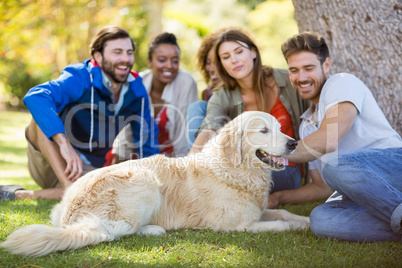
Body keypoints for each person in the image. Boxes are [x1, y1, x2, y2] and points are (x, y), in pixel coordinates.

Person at [0, 26, 159, 201]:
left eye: (129, 53)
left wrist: (153, 180)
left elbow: (146, 139)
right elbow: (35, 96)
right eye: (117, 52)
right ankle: (73, 195)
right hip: (51, 157)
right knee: (40, 116)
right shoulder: (80, 77)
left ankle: (20, 195)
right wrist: (64, 143)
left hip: (87, 168)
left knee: (113, 191)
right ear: (98, 56)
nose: (125, 59)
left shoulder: (136, 90)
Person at [279, 31, 402, 241]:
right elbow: (321, 187)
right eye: (294, 70)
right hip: (366, 195)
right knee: (321, 218)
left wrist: (273, 151)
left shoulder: (341, 83)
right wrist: (278, 197)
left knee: (336, 165)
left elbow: (328, 140)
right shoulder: (307, 126)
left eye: (308, 68)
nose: (301, 77)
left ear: (326, 66)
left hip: (392, 168)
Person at [189, 28, 309, 193]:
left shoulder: (286, 80)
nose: (234, 60)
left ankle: (209, 186)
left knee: (230, 173)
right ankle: (196, 182)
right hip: (243, 164)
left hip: (285, 166)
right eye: (226, 57)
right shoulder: (222, 95)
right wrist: (189, 165)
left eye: (239, 51)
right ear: (221, 64)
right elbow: (211, 125)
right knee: (198, 108)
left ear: (253, 52)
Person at [113, 32, 198, 158]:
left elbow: (184, 133)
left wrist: (182, 169)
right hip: (138, 157)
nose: (169, 66)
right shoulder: (139, 82)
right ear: (149, 62)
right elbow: (127, 131)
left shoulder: (185, 82)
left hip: (171, 162)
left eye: (175, 61)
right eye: (162, 60)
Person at [187, 29, 223, 147]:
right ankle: (195, 162)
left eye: (217, 62)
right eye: (208, 62)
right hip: (214, 149)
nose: (211, 68)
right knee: (197, 107)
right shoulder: (208, 94)